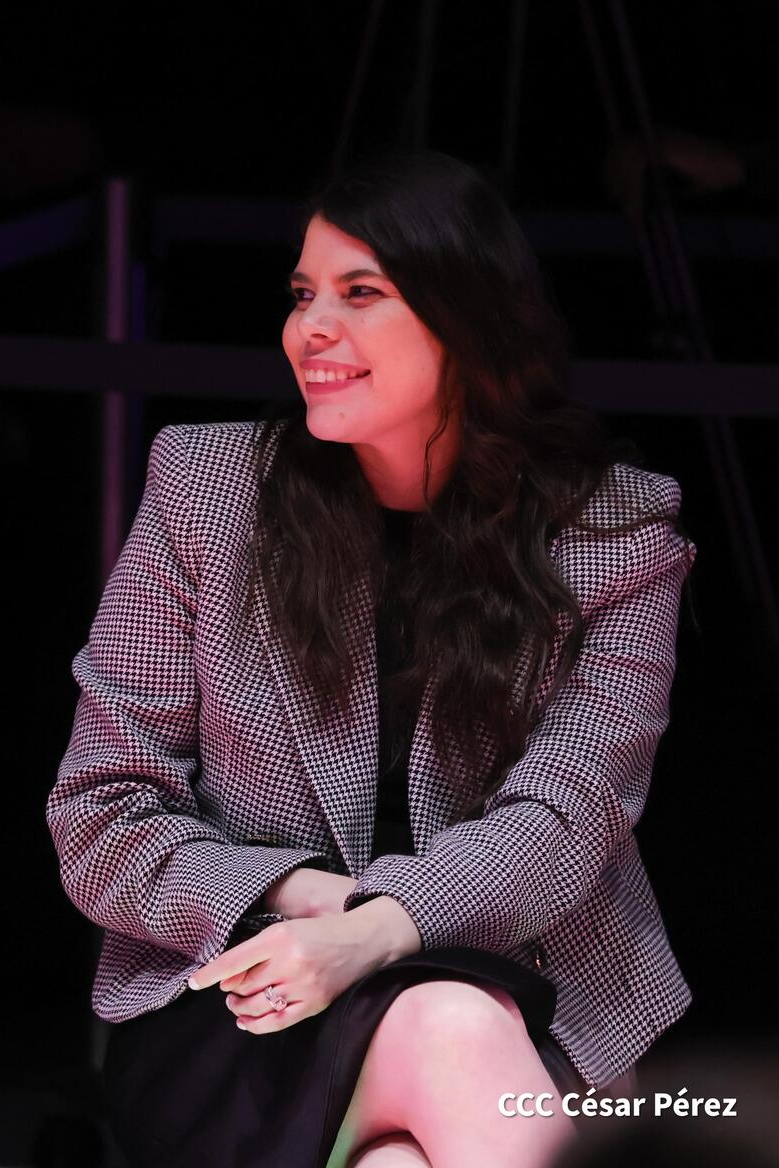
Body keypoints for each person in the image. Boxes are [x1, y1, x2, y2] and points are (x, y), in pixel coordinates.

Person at [46, 146, 697, 1168]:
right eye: (302, 293)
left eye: (361, 293)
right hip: (247, 1005)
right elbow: (102, 813)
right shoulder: (208, 491)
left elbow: (566, 820)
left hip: (534, 993)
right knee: (452, 1026)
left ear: (465, 320)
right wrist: (309, 900)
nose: (311, 326)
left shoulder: (613, 533)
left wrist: (383, 930)